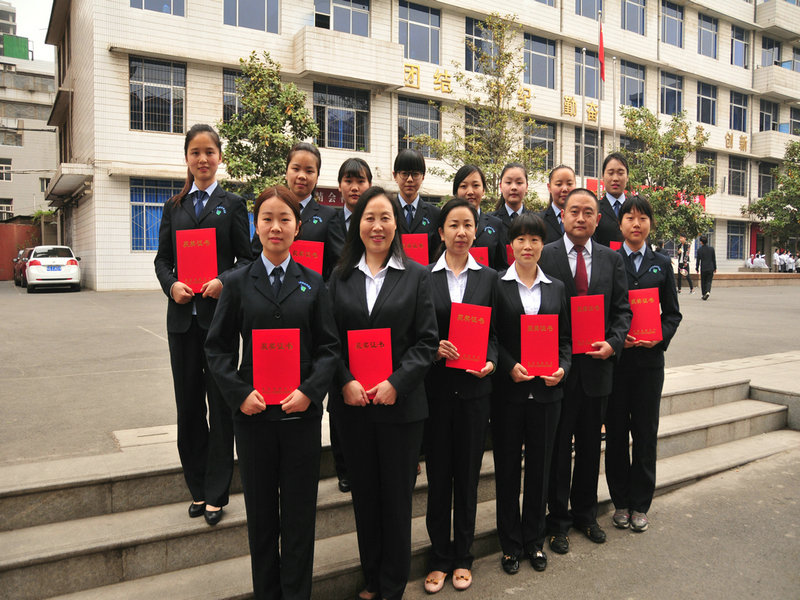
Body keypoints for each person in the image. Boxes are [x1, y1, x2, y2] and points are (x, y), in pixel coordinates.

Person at [205, 186, 339, 600]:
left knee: (299, 518)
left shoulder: (314, 283)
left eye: (285, 219)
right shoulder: (237, 283)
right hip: (254, 417)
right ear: (256, 226)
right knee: (261, 519)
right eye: (267, 219)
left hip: (300, 417)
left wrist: (310, 391)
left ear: (298, 227)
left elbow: (329, 348)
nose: (276, 227)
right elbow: (217, 348)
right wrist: (239, 394)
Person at [328, 187, 438, 600]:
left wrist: (397, 383)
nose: (377, 226)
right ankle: (372, 577)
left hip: (401, 409)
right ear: (358, 224)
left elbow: (426, 342)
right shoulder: (339, 278)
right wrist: (344, 380)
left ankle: (392, 585)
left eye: (385, 218)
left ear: (397, 224)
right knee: (365, 498)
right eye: (369, 218)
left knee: (396, 500)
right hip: (354, 406)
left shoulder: (417, 275)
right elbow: (328, 341)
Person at [154, 123, 252, 526]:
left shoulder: (234, 204)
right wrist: (172, 284)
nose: (203, 159)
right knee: (189, 405)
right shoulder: (173, 207)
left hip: (219, 322)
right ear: (187, 158)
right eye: (195, 152)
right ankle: (196, 486)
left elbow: (247, 260)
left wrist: (223, 281)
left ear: (220, 157)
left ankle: (216, 493)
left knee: (221, 407)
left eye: (209, 151)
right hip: (182, 322)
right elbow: (162, 260)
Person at [539, 188, 632, 554]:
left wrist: (614, 343)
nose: (580, 218)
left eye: (588, 212)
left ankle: (586, 515)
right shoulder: (545, 255)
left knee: (591, 447)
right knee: (559, 449)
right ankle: (558, 520)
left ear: (598, 219)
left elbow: (622, 311)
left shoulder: (612, 259)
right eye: (574, 211)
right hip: (558, 369)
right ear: (562, 215)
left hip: (597, 369)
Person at [422, 198, 497, 593]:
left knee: (467, 478)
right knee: (439, 479)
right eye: (453, 225)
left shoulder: (489, 278)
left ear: (476, 230)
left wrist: (491, 361)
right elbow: (415, 333)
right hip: (436, 394)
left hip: (474, 393)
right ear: (441, 232)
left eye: (468, 224)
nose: (461, 232)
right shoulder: (423, 277)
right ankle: (439, 556)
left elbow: (497, 334)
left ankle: (463, 556)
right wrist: (433, 349)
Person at [492, 212, 571, 576]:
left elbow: (566, 340)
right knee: (507, 471)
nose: (527, 246)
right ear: (511, 244)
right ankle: (510, 544)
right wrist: (509, 366)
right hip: (508, 394)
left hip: (546, 394)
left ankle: (534, 540)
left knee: (540, 470)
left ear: (543, 245)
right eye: (521, 239)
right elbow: (492, 337)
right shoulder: (496, 284)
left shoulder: (556, 287)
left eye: (535, 239)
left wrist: (562, 368)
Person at [605, 196, 682, 534]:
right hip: (618, 364)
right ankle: (620, 502)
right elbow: (604, 310)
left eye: (643, 218)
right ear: (620, 223)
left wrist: (659, 337)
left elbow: (673, 314)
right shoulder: (610, 260)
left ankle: (640, 504)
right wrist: (613, 339)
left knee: (646, 433)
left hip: (650, 363)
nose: (636, 224)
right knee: (616, 432)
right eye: (630, 218)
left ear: (651, 223)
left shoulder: (661, 263)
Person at [327, 157, 373, 494]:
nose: (355, 187)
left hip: (374, 312)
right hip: (339, 310)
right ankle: (343, 466)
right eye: (349, 180)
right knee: (340, 390)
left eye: (361, 181)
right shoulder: (327, 222)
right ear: (340, 185)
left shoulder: (378, 221)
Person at [251, 142, 339, 279]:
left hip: (311, 289)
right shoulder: (269, 209)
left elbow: (335, 264)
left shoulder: (329, 216)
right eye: (296, 169)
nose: (302, 176)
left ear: (317, 177)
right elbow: (253, 256)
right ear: (286, 172)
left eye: (309, 171)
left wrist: (322, 289)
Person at [453, 164, 508, 271]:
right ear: (456, 192)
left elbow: (502, 266)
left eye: (475, 185)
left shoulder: (496, 224)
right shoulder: (447, 223)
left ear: (483, 190)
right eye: (464, 186)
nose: (470, 192)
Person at [393, 148, 441, 262]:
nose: (410, 179)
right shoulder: (387, 211)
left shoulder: (435, 214)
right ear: (395, 176)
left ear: (423, 176)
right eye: (404, 174)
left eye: (415, 174)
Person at [490, 162, 531, 244]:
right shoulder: (490, 221)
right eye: (508, 182)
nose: (514, 187)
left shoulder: (535, 221)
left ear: (526, 187)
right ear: (500, 186)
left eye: (519, 183)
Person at [594, 152, 628, 247]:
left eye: (620, 173)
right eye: (610, 173)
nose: (615, 178)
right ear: (603, 176)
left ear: (627, 177)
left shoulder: (636, 209)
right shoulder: (594, 209)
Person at [537, 165, 576, 244]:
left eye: (569, 184)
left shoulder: (582, 220)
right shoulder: (538, 221)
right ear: (549, 187)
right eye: (559, 184)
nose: (564, 189)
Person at [696, 235, 717, 300]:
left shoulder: (699, 250)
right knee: (709, 281)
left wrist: (697, 268)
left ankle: (704, 294)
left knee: (703, 281)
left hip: (703, 268)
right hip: (710, 267)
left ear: (701, 242)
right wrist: (715, 268)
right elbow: (713, 259)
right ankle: (708, 292)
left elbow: (698, 260)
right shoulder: (711, 249)